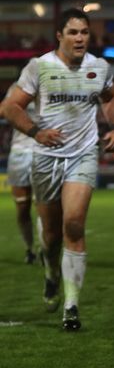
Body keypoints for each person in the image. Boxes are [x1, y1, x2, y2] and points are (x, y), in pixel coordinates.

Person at [3, 8, 114, 331]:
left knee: (74, 223)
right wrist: (35, 132)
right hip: (45, 158)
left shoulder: (99, 67)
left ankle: (71, 305)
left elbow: (111, 97)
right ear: (60, 36)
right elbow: (9, 105)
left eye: (84, 32)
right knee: (52, 237)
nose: (80, 38)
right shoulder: (39, 67)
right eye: (73, 32)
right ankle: (51, 273)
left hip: (82, 155)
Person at [0, 84, 39, 264]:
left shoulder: (53, 85)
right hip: (19, 153)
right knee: (22, 208)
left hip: (45, 152)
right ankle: (29, 249)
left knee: (44, 206)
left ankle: (44, 249)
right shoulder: (16, 89)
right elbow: (3, 111)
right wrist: (18, 104)